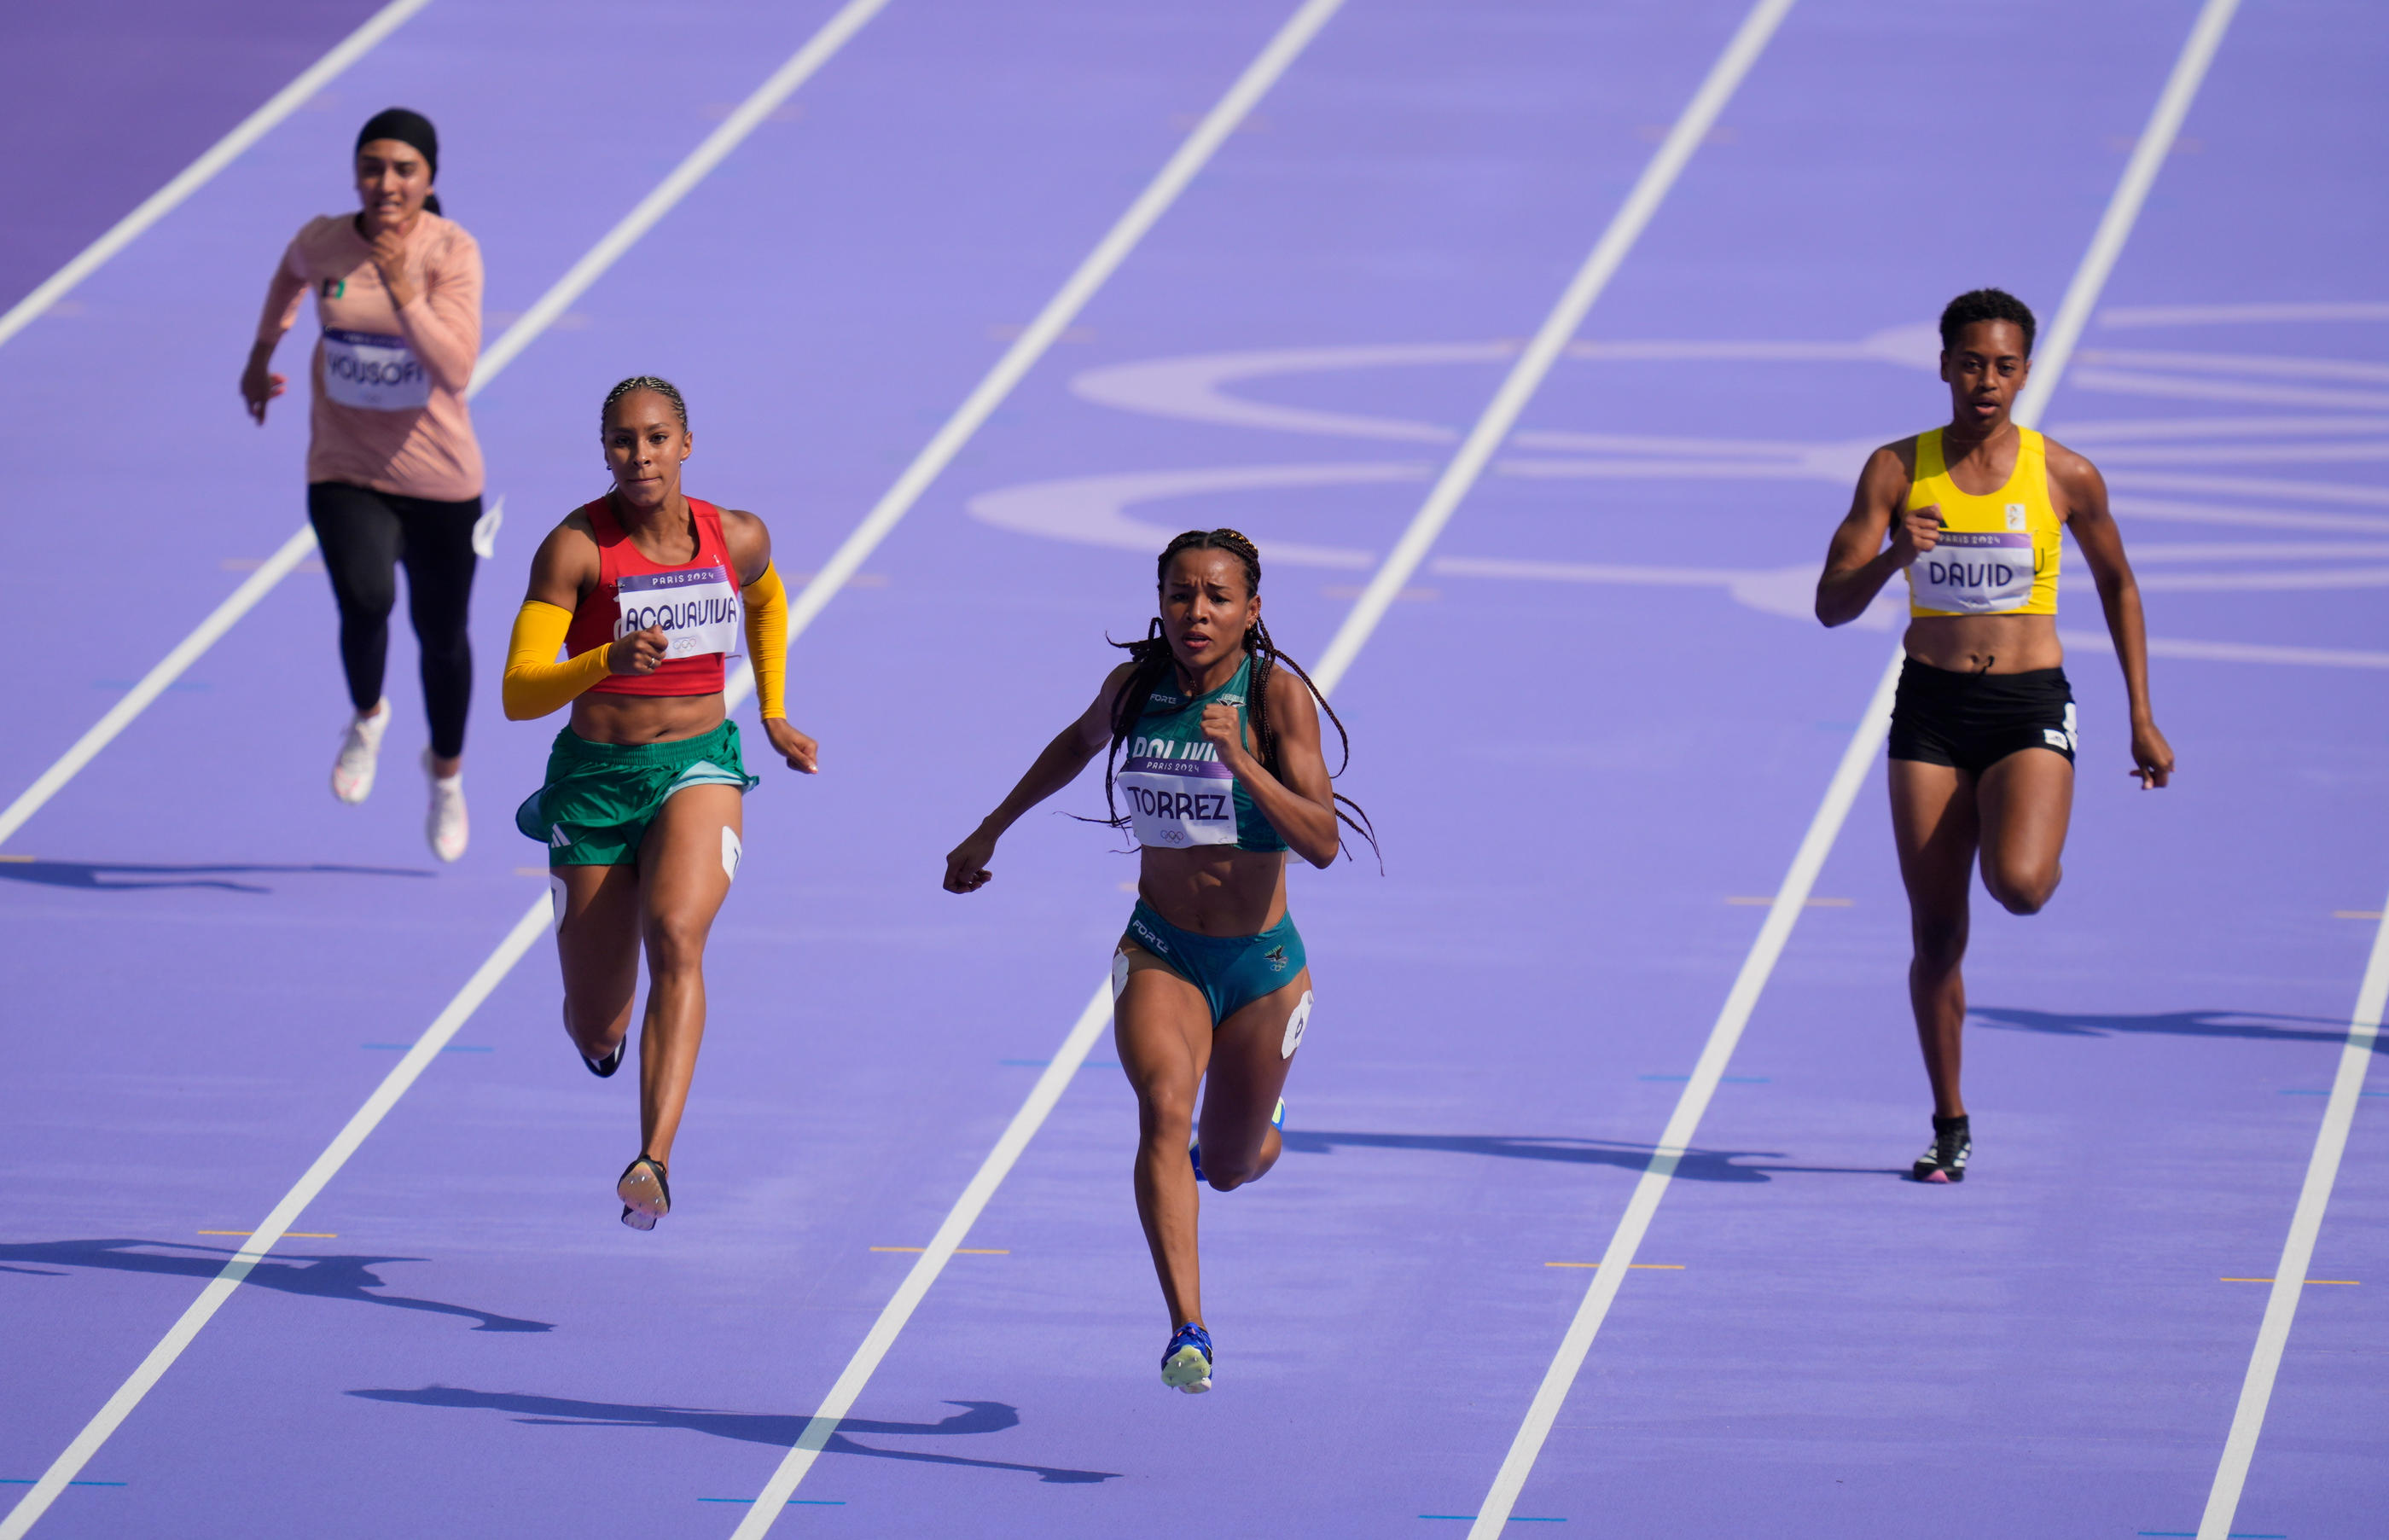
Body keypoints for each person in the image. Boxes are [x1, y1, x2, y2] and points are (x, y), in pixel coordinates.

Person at [944, 529, 1374, 1392]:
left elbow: (1323, 842)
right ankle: (1189, 1327)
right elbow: (1073, 744)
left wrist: (1238, 759)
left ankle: (1261, 1139)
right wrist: (991, 825)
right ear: (1160, 602)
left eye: (1217, 597)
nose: (1196, 612)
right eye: (1180, 594)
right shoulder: (1134, 688)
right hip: (1162, 948)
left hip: (1260, 968)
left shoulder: (1275, 698)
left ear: (1252, 611)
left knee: (1226, 1163)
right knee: (1162, 1110)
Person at [1815, 288, 2174, 1183]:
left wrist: (2139, 712)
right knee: (1936, 934)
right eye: (1971, 362)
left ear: (2024, 372)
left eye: (2005, 366)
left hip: (2024, 710)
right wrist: (1897, 552)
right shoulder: (1895, 471)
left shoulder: (2064, 474)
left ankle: (2033, 832)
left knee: (2017, 886)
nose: (1986, 381)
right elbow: (1829, 604)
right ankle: (1949, 1121)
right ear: (1942, 365)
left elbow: (2118, 584)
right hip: (1931, 712)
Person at [502, 376, 817, 1229]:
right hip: (595, 781)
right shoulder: (574, 549)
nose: (637, 456)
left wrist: (774, 710)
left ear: (685, 443)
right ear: (603, 449)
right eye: (619, 441)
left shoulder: (735, 534)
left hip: (698, 765)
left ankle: (653, 1157)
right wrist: (604, 658)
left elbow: (767, 597)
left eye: (653, 438)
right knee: (597, 1020)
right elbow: (519, 692)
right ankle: (603, 1047)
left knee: (677, 932)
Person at [243, 108, 485, 860]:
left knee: (442, 640)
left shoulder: (452, 251)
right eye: (373, 166)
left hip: (440, 479)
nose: (386, 182)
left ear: (429, 179)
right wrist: (262, 353)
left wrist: (400, 285)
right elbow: (291, 274)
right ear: (356, 174)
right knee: (367, 597)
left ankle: (444, 776)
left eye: (404, 169)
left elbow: (454, 370)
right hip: (345, 466)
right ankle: (368, 715)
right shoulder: (324, 240)